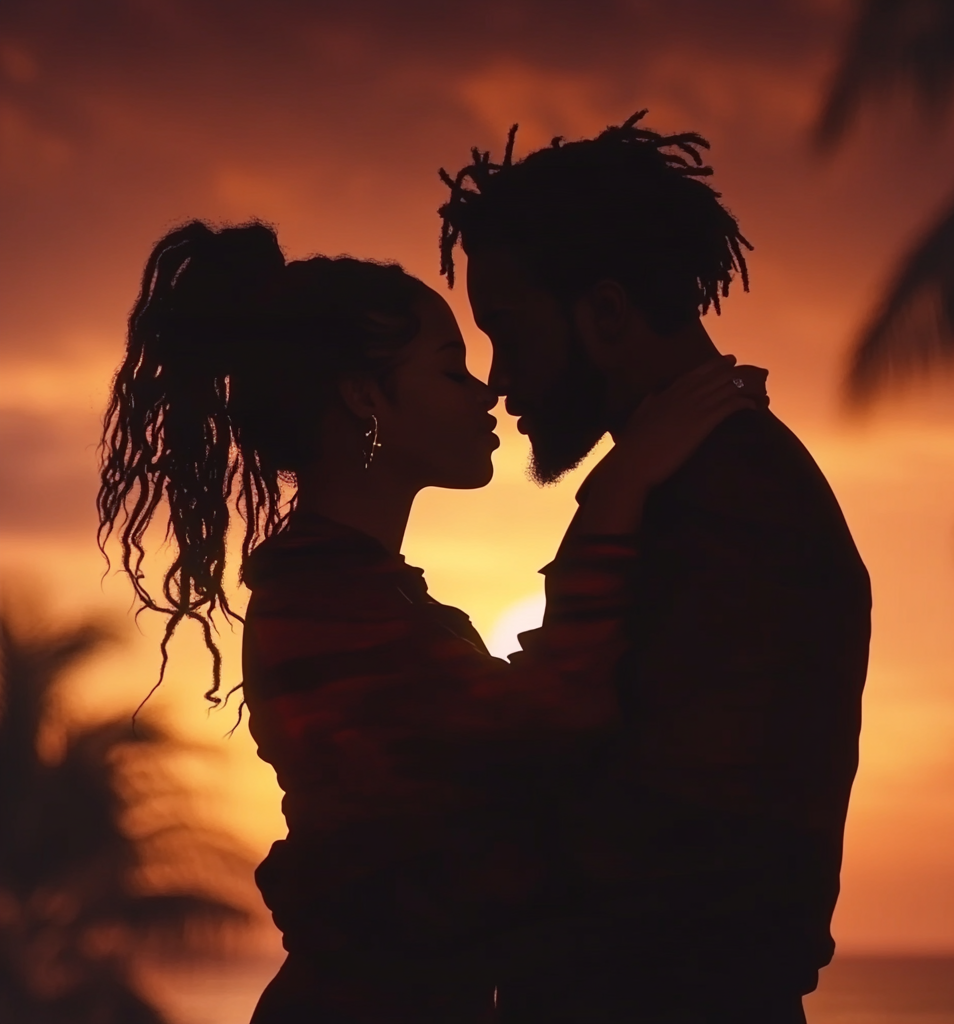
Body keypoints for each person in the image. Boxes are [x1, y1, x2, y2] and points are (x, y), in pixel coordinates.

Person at [96, 219, 761, 1023]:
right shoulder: (321, 604)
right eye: (451, 370)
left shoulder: (359, 589)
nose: (486, 391)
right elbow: (552, 720)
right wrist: (621, 490)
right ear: (365, 396)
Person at [438, 111, 872, 1023]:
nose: (497, 380)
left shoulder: (733, 501)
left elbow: (682, 838)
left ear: (604, 313)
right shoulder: (689, 483)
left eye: (510, 335)